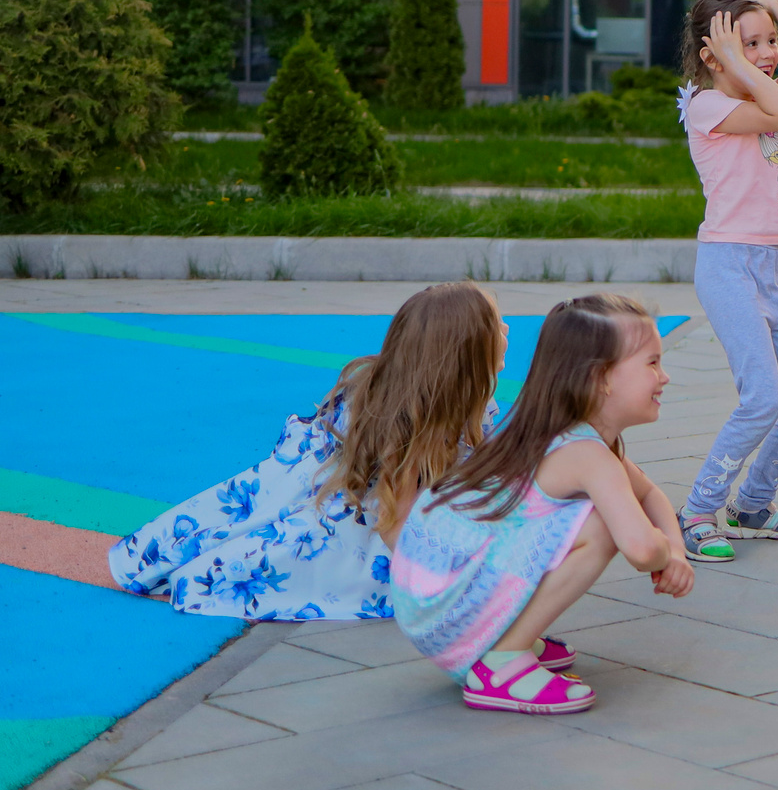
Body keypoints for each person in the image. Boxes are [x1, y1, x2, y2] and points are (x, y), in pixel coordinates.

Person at [110, 282, 507, 621]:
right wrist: (435, 586)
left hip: (366, 496)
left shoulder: (460, 397)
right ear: (466, 354)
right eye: (497, 325)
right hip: (358, 518)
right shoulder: (414, 424)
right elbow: (392, 523)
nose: (507, 328)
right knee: (248, 566)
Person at [392, 295, 693, 715]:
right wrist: (665, 554)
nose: (665, 376)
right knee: (599, 525)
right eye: (652, 363)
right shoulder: (586, 454)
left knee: (589, 518)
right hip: (440, 604)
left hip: (427, 590)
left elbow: (650, 495)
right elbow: (641, 549)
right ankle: (501, 663)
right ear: (602, 377)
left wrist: (675, 551)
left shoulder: (561, 429)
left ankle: (504, 634)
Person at [673, 0, 778, 563]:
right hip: (728, 266)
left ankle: (753, 505)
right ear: (713, 56)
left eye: (772, 41)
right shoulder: (709, 106)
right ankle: (697, 511)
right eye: (751, 44)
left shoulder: (759, 97)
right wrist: (741, 66)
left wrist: (774, 3)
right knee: (762, 397)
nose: (769, 52)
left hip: (770, 269)